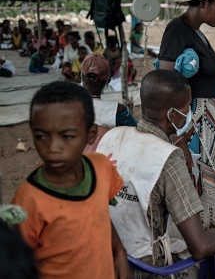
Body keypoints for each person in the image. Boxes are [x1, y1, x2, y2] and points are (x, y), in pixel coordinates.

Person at [97, 69, 215, 279]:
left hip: (102, 257)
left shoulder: (112, 136)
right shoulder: (166, 158)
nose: (188, 116)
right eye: (186, 110)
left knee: (177, 232)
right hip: (143, 269)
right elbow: (200, 247)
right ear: (172, 115)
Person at [11, 81, 130, 279]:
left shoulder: (101, 167)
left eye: (66, 136)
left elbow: (100, 212)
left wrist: (119, 253)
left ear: (90, 135)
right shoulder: (28, 201)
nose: (53, 148)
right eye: (42, 136)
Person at [157, 0, 215, 229]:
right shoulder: (177, 30)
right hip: (195, 123)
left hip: (209, 119)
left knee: (209, 181)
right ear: (203, 1)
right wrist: (180, 136)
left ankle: (208, 237)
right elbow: (165, 83)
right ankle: (198, 242)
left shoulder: (196, 32)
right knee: (198, 181)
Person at [81, 53, 137, 153]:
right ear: (108, 81)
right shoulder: (117, 110)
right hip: (107, 162)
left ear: (81, 75)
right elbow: (137, 132)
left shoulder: (67, 105)